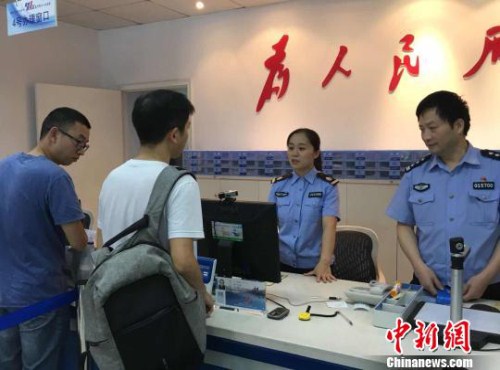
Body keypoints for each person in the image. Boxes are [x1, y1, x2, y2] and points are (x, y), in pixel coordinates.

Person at [96, 89, 214, 314]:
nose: (188, 133)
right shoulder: (181, 183)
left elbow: (103, 244)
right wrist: (203, 294)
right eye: (187, 127)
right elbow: (183, 260)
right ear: (174, 135)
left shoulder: (113, 177)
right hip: (160, 307)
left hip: (115, 302)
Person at [386, 90, 500, 301]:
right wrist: (418, 267)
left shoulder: (495, 169)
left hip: (488, 288)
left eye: (432, 128)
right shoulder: (416, 174)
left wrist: (486, 277)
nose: (426, 136)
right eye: (422, 129)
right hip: (429, 285)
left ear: (458, 126)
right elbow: (404, 225)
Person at [0, 107, 90, 370]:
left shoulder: (3, 166)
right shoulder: (55, 177)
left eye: (86, 146)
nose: (81, 152)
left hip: (4, 293)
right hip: (40, 296)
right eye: (79, 142)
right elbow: (78, 242)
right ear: (53, 133)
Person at [268, 128, 340, 283]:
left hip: (316, 268)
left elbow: (329, 226)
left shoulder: (327, 186)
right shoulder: (278, 186)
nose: (294, 153)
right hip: (282, 264)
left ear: (315, 153)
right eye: (291, 147)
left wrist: (324, 262)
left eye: (301, 148)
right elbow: (267, 226)